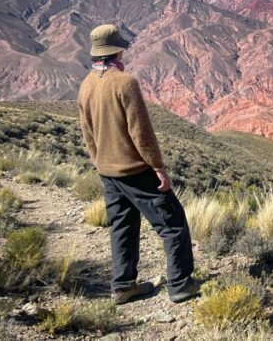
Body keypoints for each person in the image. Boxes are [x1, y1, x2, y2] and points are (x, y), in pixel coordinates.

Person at [77, 24, 200, 304]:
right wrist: (157, 167)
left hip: (108, 172)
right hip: (135, 170)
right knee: (173, 224)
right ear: (117, 50)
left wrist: (100, 162)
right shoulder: (125, 82)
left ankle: (123, 286)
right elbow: (141, 133)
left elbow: (87, 133)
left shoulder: (86, 85)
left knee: (122, 226)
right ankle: (180, 284)